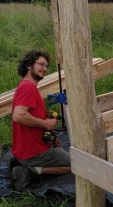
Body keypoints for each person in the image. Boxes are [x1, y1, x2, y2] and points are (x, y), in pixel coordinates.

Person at [10, 49, 71, 191]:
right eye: (41, 65)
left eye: (46, 66)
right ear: (29, 65)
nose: (44, 69)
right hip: (36, 152)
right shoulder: (28, 88)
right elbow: (18, 115)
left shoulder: (26, 86)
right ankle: (32, 169)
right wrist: (45, 123)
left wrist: (50, 136)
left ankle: (24, 162)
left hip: (28, 148)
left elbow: (28, 115)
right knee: (80, 165)